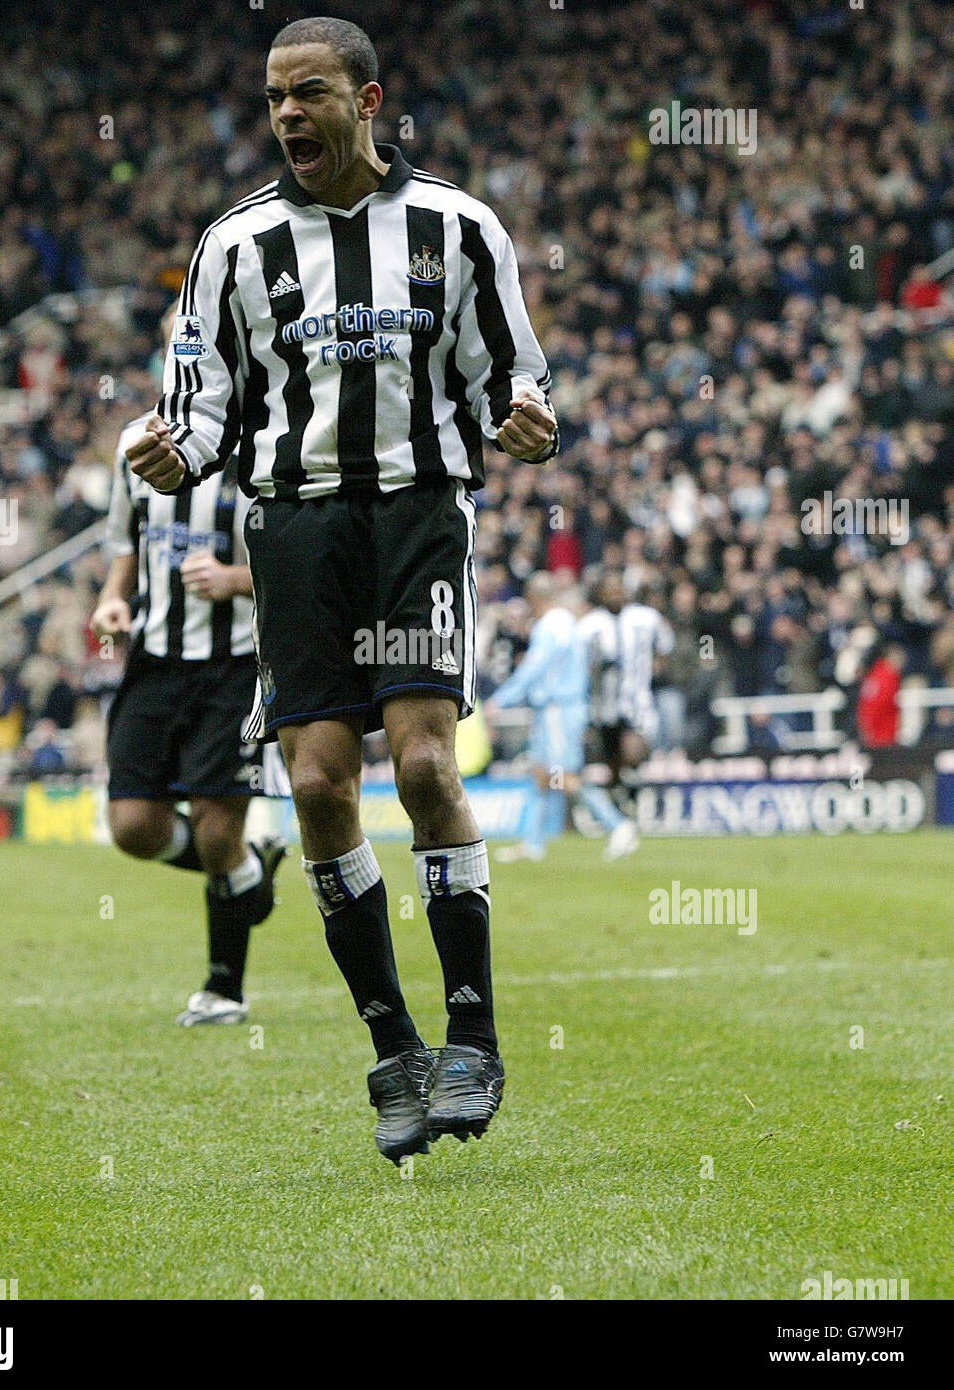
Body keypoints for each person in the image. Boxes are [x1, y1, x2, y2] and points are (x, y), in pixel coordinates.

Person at [125, 16, 558, 1162]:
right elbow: (205, 398)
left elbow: (512, 372)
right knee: (319, 787)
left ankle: (474, 1032)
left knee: (422, 764)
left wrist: (531, 425)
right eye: (273, 97)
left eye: (306, 92)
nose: (284, 115)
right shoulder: (233, 244)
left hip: (419, 512)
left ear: (368, 102)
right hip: (296, 527)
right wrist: (177, 446)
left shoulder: (459, 229)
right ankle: (394, 1044)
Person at [93, 306, 288, 1028]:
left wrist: (237, 581)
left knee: (215, 824)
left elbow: (298, 562)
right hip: (154, 658)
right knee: (132, 824)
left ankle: (223, 990)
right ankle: (246, 875)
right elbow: (124, 542)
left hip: (235, 663)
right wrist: (114, 601)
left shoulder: (268, 443)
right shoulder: (135, 440)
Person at [485, 573, 587, 862]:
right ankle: (532, 843)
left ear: (535, 598)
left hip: (556, 708)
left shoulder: (548, 627)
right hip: (566, 706)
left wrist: (501, 700)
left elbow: (533, 669)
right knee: (541, 775)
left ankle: (617, 824)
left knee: (563, 775)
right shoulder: (569, 623)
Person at [574, 573, 674, 860]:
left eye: (619, 589)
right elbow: (580, 666)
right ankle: (623, 814)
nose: (615, 595)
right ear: (602, 594)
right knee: (611, 765)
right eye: (610, 590)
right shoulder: (590, 625)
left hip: (637, 703)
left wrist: (654, 670)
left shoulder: (646, 618)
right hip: (603, 708)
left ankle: (626, 808)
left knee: (633, 751)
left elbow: (665, 646)